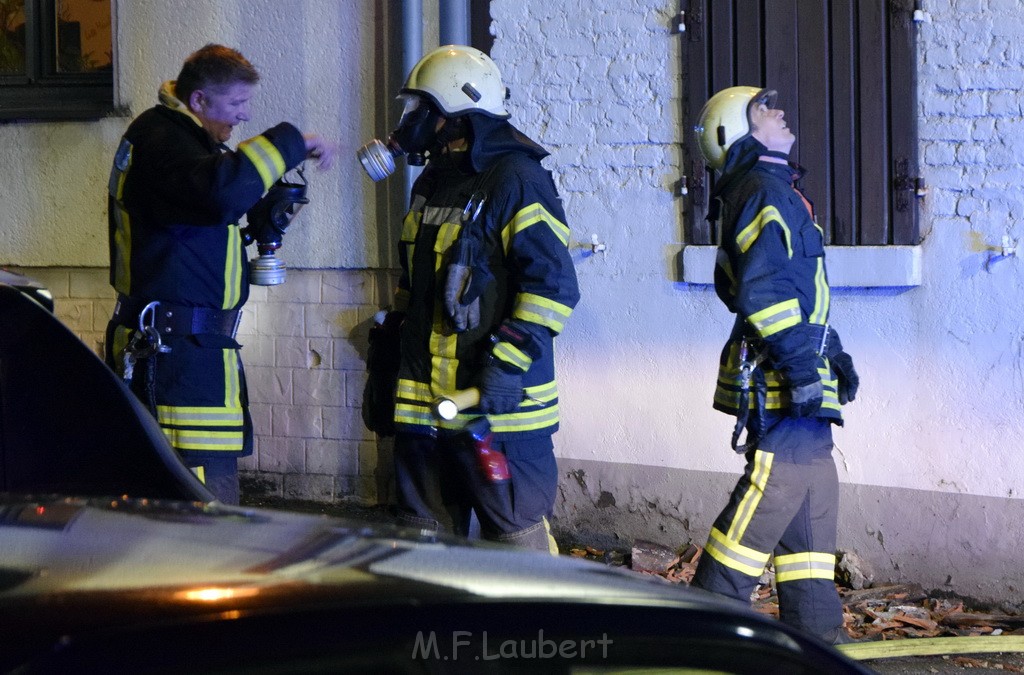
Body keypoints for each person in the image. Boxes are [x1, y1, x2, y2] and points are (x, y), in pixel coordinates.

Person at [359, 45, 580, 553]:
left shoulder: (518, 180)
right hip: (424, 413)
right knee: (423, 543)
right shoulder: (432, 182)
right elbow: (413, 289)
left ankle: (539, 636)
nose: (410, 121)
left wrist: (505, 365)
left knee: (516, 539)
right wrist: (389, 357)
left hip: (495, 410)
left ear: (458, 112)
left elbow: (553, 287)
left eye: (422, 109)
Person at [104, 44, 336, 504]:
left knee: (201, 495)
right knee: (200, 506)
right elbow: (219, 192)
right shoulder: (160, 138)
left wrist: (262, 209)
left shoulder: (185, 143)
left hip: (192, 353)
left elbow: (206, 210)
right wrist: (292, 142)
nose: (245, 116)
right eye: (236, 104)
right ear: (199, 101)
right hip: (174, 358)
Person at [689, 86, 861, 644]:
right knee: (763, 505)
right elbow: (764, 295)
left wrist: (829, 351)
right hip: (786, 385)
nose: (781, 111)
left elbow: (792, 291)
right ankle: (700, 637)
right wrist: (804, 370)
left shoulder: (773, 190)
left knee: (810, 519)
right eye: (765, 109)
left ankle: (816, 643)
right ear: (736, 130)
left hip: (797, 380)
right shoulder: (763, 190)